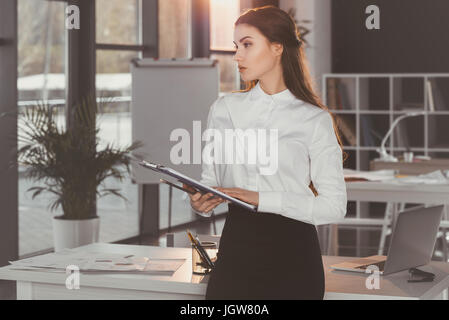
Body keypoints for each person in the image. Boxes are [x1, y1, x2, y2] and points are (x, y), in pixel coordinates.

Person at [184, 5, 347, 300]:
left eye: (247, 44)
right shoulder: (224, 110)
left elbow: (334, 206)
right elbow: (210, 182)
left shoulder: (314, 119)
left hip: (294, 258)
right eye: (236, 46)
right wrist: (199, 201)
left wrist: (262, 199)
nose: (237, 55)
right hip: (236, 253)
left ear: (276, 48)